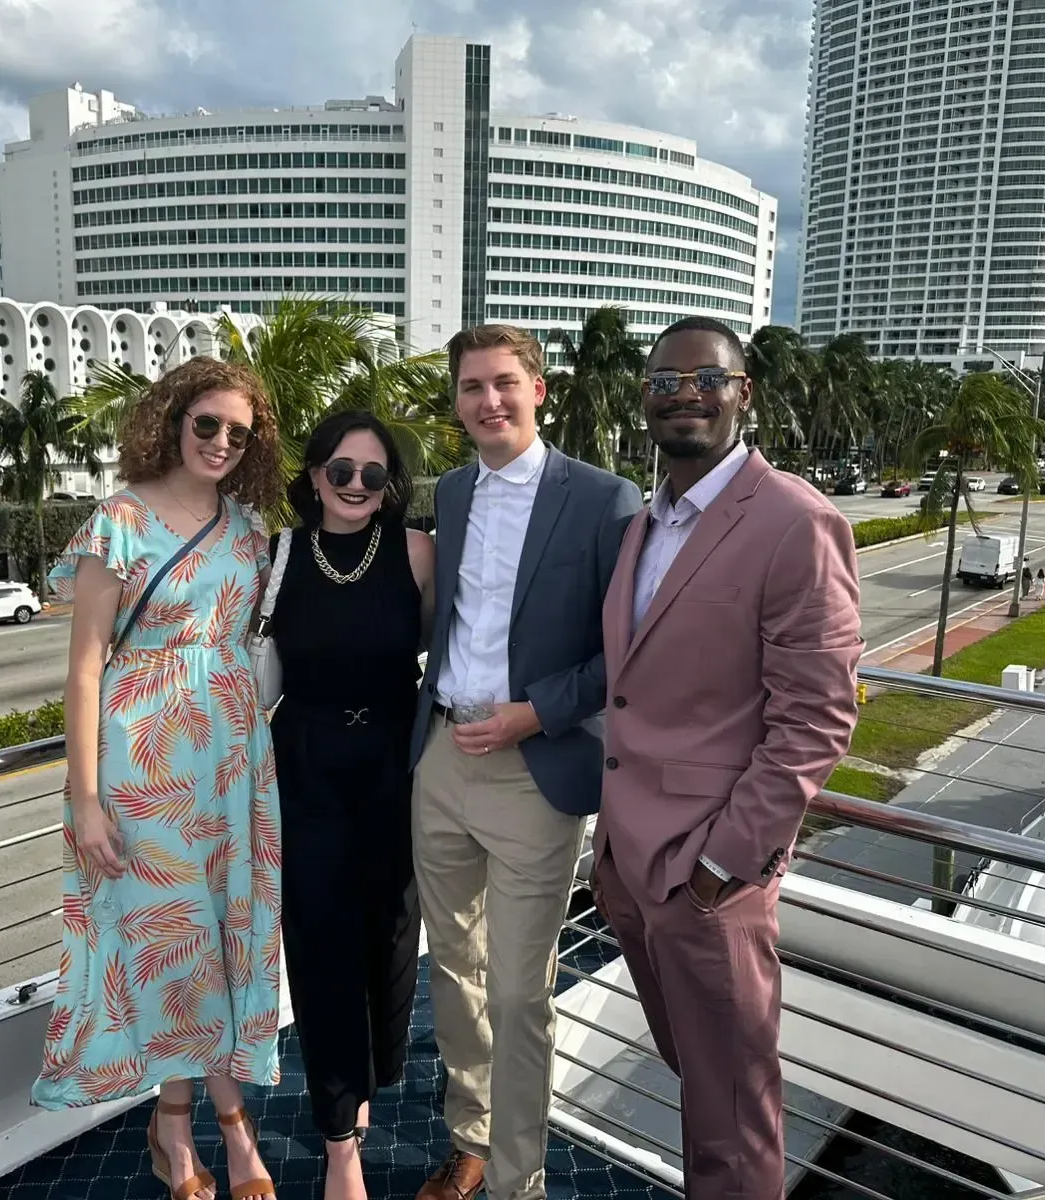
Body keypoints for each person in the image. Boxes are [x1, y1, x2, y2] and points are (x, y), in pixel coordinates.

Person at [592, 315, 863, 1200]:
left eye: (707, 380)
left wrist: (721, 865)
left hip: (708, 878)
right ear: (647, 400)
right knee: (697, 1084)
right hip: (632, 870)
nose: (685, 396)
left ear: (743, 395)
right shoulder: (647, 522)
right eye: (666, 381)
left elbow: (817, 719)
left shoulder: (794, 521)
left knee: (736, 1120)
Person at [33, 356, 285, 1200]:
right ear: (175, 418)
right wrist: (84, 798)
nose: (219, 441)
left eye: (237, 433)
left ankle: (203, 1116)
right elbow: (84, 667)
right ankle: (188, 1124)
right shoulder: (121, 519)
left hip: (231, 759)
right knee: (165, 934)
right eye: (206, 423)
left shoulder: (249, 530)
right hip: (145, 761)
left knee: (220, 930)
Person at [410, 324, 643, 1200]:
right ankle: (469, 1139)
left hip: (535, 772)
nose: (488, 401)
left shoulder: (606, 498)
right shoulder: (454, 492)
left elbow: (632, 650)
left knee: (517, 993)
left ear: (538, 390)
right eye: (472, 387)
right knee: (452, 969)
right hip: (440, 760)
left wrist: (532, 713)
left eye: (505, 383)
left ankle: (518, 1180)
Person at [266, 411, 436, 1200]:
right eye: (342, 471)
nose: (358, 487)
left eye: (375, 474)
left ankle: (367, 1076)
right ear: (313, 476)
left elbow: (443, 647)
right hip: (306, 765)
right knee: (322, 943)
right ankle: (340, 1140)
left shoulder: (415, 551)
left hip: (394, 765)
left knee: (393, 932)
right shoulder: (280, 553)